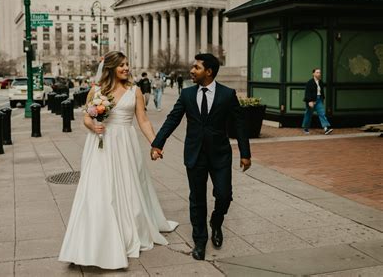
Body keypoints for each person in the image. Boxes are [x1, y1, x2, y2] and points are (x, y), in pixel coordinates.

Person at [59, 51, 178, 270]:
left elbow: (143, 121)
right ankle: (95, 238)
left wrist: (155, 143)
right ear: (111, 67)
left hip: (125, 143)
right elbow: (86, 117)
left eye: (127, 64)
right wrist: (93, 125)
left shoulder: (136, 91)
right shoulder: (96, 90)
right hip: (100, 144)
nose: (126, 68)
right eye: (121, 65)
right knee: (98, 189)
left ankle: (128, 229)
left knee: (128, 186)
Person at [150, 53, 251, 261]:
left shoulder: (227, 94)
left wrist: (245, 153)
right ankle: (200, 241)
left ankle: (216, 221)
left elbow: (239, 125)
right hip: (195, 154)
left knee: (224, 195)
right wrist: (158, 143)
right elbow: (172, 119)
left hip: (220, 155)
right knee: (197, 199)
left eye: (196, 67)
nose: (192, 71)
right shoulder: (187, 94)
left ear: (209, 71)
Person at [302, 68, 333, 135]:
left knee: (322, 113)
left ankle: (326, 129)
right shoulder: (309, 82)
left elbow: (321, 92)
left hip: (319, 100)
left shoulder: (320, 82)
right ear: (313, 74)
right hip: (311, 100)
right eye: (317, 72)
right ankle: (305, 128)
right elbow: (307, 93)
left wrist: (322, 99)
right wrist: (309, 101)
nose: (319, 74)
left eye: (319, 72)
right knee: (308, 114)